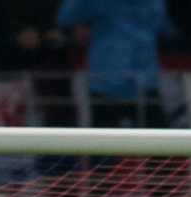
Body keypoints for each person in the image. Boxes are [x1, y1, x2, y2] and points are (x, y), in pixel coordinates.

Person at [56, 0, 174, 128]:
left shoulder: (154, 2)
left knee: (158, 137)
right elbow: (65, 17)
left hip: (145, 82)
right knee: (103, 138)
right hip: (107, 84)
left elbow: (165, 28)